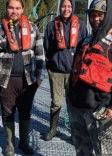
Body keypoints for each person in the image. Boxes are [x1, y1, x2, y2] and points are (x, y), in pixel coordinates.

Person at [68, 0, 112, 156]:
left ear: (108, 16)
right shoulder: (85, 41)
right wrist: (70, 101)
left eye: (100, 15)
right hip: (77, 109)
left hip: (101, 111)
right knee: (82, 154)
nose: (96, 19)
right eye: (93, 15)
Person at [0, 0, 45, 156]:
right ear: (6, 9)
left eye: (18, 8)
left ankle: (24, 142)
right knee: (7, 113)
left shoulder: (33, 29)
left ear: (23, 9)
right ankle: (10, 144)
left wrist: (39, 78)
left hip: (28, 80)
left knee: (25, 112)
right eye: (11, 7)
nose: (14, 11)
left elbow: (40, 54)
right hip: (5, 80)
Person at [43, 0, 87, 141]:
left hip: (73, 74)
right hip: (55, 72)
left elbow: (85, 49)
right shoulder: (51, 26)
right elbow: (46, 47)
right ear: (60, 8)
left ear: (73, 8)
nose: (66, 9)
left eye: (69, 6)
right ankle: (53, 129)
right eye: (63, 6)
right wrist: (50, 66)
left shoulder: (82, 27)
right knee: (56, 102)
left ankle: (75, 133)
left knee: (72, 104)